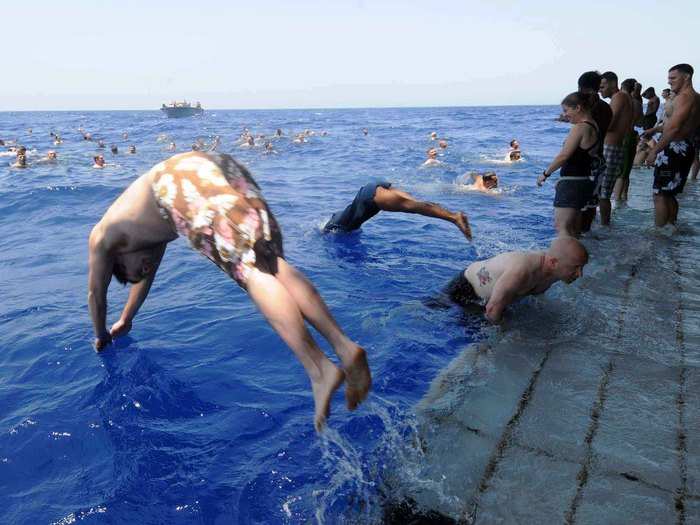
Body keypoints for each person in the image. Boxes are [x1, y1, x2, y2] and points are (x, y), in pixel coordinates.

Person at [87, 152, 371, 432]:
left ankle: (319, 369)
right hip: (210, 164)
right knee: (268, 261)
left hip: (176, 182)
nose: (145, 270)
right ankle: (344, 348)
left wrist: (100, 335)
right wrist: (127, 318)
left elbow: (96, 295)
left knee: (248, 271)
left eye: (138, 269)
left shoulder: (101, 238)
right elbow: (145, 279)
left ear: (122, 259)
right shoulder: (148, 229)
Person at [446, 237, 588, 323]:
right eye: (575, 268)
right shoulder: (521, 271)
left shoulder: (557, 272)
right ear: (553, 262)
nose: (580, 274)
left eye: (581, 268)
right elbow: (491, 311)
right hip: (464, 290)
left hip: (489, 294)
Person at [538, 92, 600, 237]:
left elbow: (564, 156)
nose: (565, 115)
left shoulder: (580, 128)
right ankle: (579, 258)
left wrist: (545, 174)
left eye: (566, 110)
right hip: (584, 181)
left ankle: (563, 259)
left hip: (573, 182)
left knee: (562, 228)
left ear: (578, 108)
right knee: (575, 229)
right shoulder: (594, 125)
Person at [645, 64, 700, 226]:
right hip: (686, 146)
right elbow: (680, 124)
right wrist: (655, 129)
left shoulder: (684, 97)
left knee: (660, 194)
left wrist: (654, 151)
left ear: (687, 77)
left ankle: (659, 233)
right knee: (670, 193)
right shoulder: (696, 97)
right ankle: (671, 228)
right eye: (669, 78)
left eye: (673, 78)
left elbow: (674, 128)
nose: (669, 82)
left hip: (673, 148)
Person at [323, 181, 471, 239]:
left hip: (371, 199)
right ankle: (452, 215)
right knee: (416, 204)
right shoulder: (338, 217)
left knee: (415, 207)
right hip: (371, 188)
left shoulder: (337, 227)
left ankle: (454, 217)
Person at [577, 71, 611, 233]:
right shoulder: (605, 107)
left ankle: (579, 238)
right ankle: (587, 234)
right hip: (599, 159)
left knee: (579, 203)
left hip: (585, 161)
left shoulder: (589, 110)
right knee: (591, 202)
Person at [598, 72, 635, 217]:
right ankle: (604, 225)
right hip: (616, 146)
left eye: (602, 86)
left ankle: (604, 226)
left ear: (613, 83)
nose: (600, 90)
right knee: (604, 192)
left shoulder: (618, 97)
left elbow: (610, 124)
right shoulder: (625, 97)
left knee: (603, 193)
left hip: (611, 147)